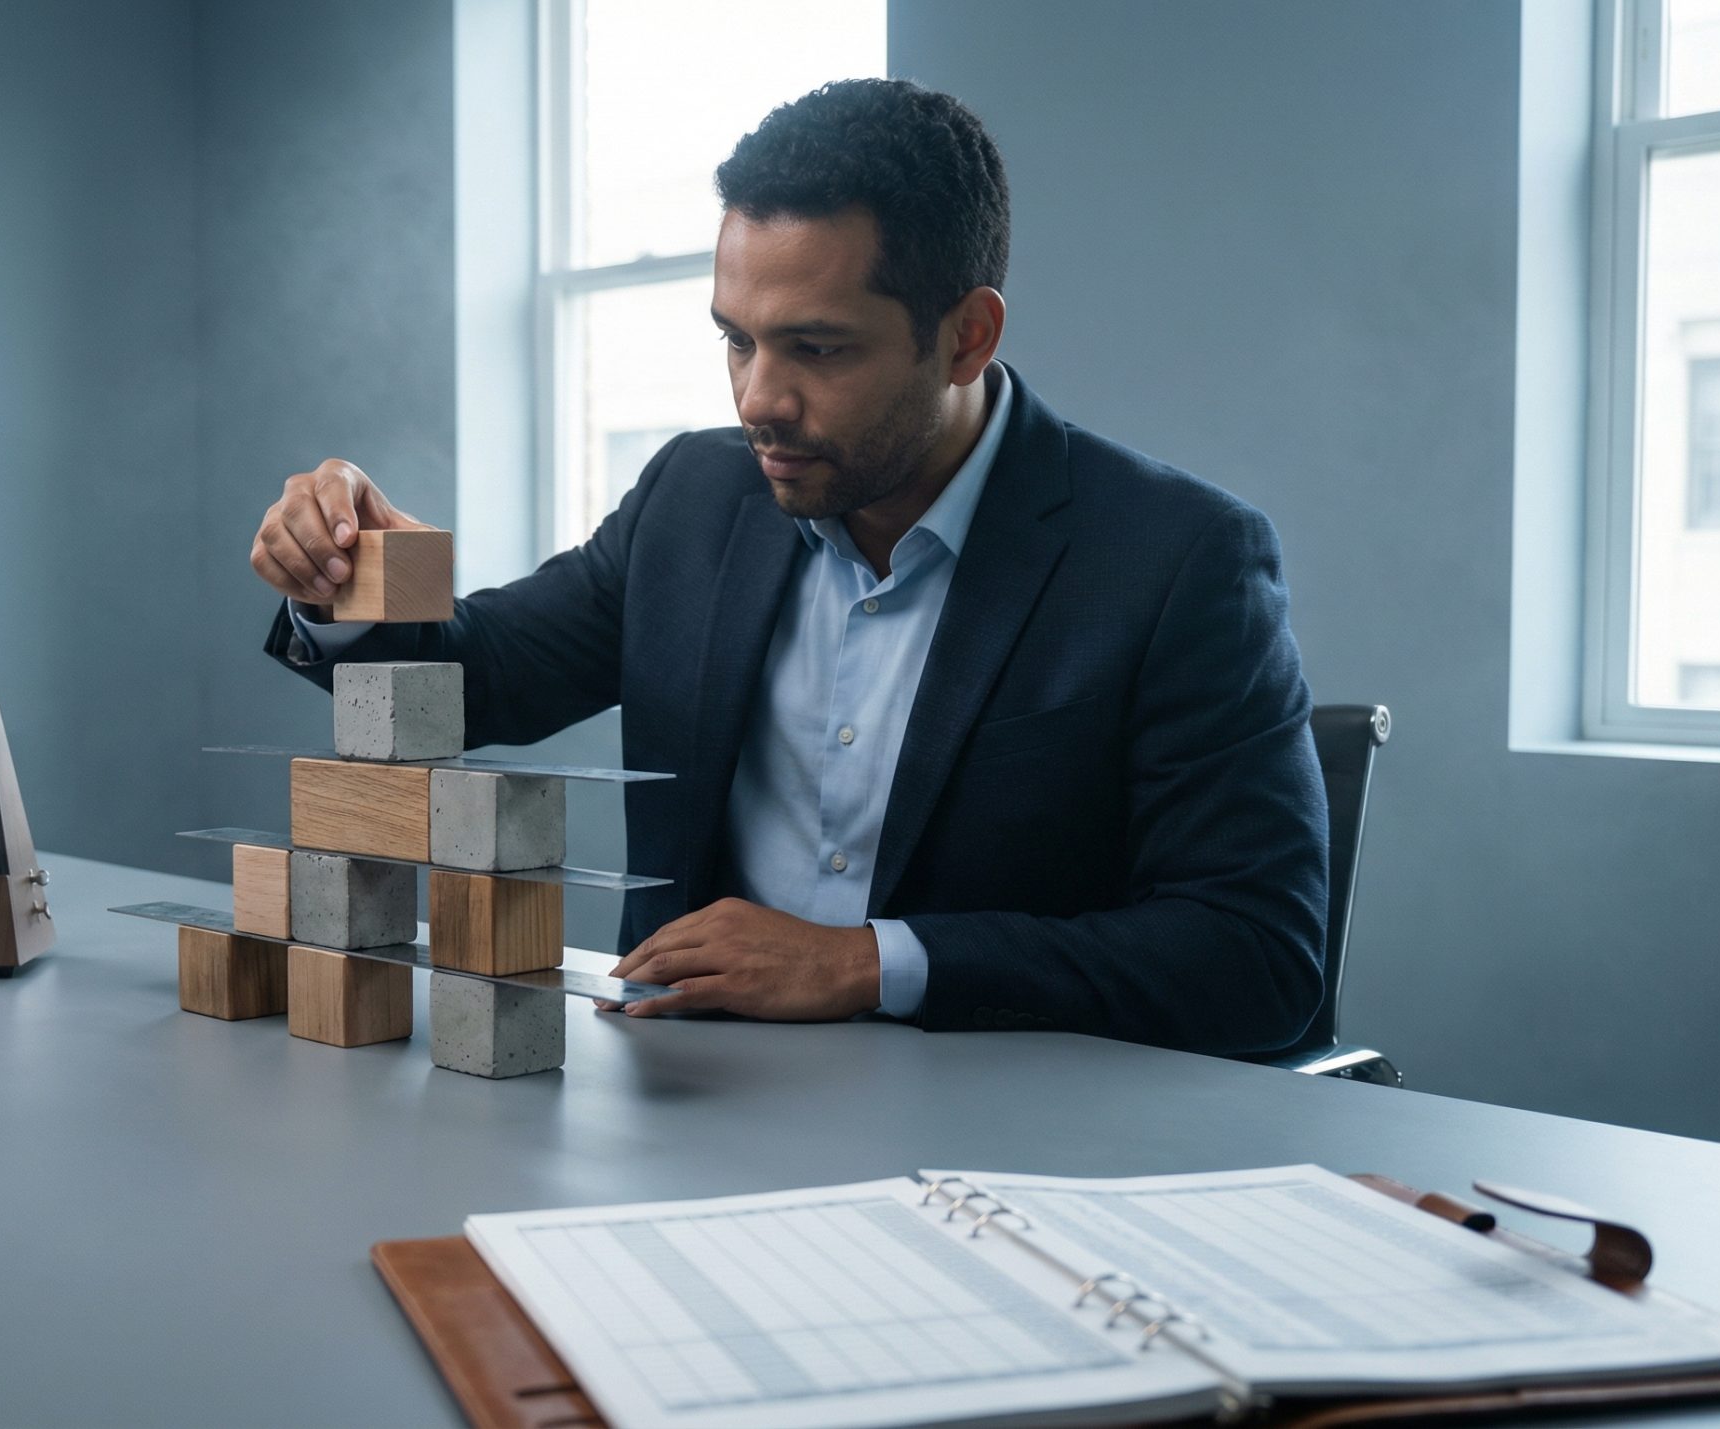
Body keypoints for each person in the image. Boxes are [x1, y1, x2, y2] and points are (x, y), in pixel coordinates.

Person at [247, 79, 1327, 1055]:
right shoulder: (694, 498)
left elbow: (1254, 957)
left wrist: (864, 962)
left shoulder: (1178, 559)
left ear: (965, 337)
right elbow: (475, 677)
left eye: (816, 349)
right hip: (690, 1099)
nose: (758, 398)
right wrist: (342, 573)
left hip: (998, 1139)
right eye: (735, 339)